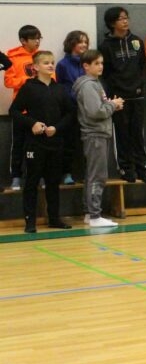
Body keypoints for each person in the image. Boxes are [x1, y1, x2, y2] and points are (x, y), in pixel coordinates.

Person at [11, 50, 76, 232]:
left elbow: (70, 113)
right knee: (31, 182)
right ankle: (30, 221)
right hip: (35, 143)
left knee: (53, 182)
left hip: (55, 143)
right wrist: (32, 123)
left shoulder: (59, 89)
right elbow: (14, 111)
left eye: (52, 62)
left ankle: (54, 218)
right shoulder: (29, 88)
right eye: (46, 62)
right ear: (36, 67)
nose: (50, 65)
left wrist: (57, 128)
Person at [99, 7, 146, 183]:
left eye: (126, 18)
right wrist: (113, 93)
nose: (125, 21)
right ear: (112, 22)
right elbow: (105, 72)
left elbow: (142, 65)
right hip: (118, 98)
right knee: (122, 135)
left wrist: (138, 85)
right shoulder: (106, 46)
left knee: (138, 134)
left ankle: (141, 167)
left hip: (137, 94)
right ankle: (126, 168)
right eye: (121, 19)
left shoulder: (136, 41)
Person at [73, 50, 124, 228]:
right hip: (95, 134)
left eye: (101, 63)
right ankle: (95, 215)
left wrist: (110, 106)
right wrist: (112, 105)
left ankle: (90, 213)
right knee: (98, 176)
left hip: (98, 133)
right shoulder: (88, 86)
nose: (100, 66)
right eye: (96, 63)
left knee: (92, 175)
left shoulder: (95, 83)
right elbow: (95, 112)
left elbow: (100, 107)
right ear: (86, 66)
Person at [5, 24, 43, 190]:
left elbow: (52, 78)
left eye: (39, 38)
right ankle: (16, 177)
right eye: (34, 39)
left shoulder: (42, 56)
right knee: (19, 144)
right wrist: (27, 80)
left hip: (40, 107)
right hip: (21, 109)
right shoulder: (13, 57)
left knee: (39, 145)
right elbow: (9, 82)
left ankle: (39, 176)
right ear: (23, 40)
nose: (37, 42)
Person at [55, 30, 89, 185]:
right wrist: (71, 100)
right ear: (71, 43)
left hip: (87, 109)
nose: (84, 45)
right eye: (80, 41)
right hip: (70, 108)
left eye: (86, 42)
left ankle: (85, 173)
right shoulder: (62, 64)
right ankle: (67, 173)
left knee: (86, 143)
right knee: (69, 142)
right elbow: (60, 87)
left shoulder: (88, 62)